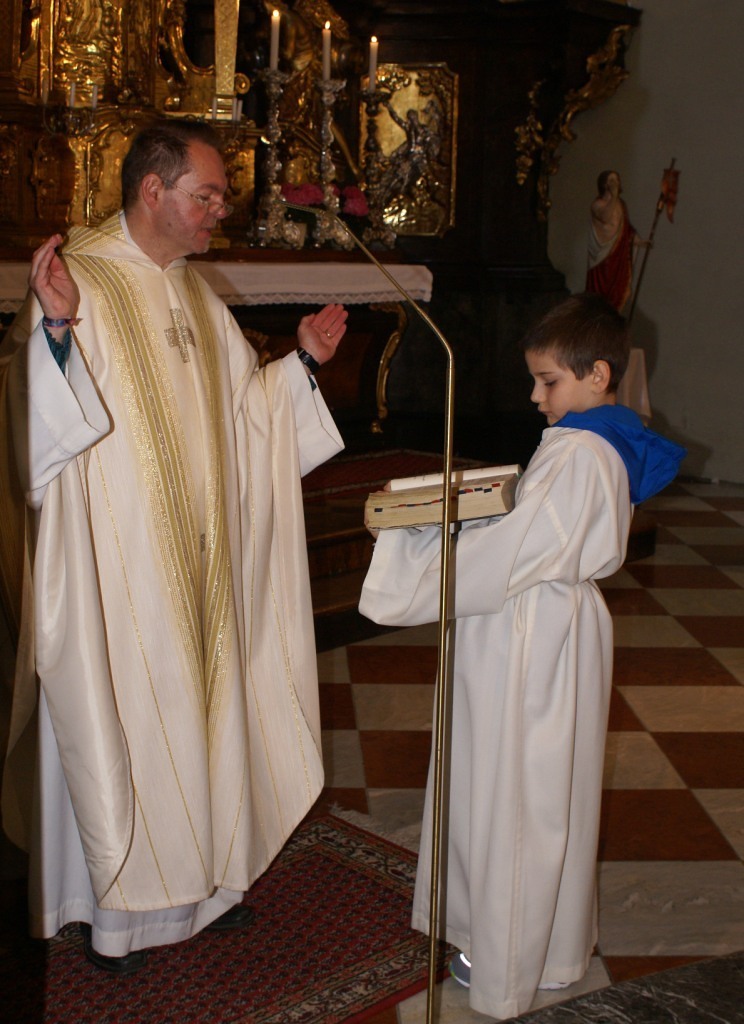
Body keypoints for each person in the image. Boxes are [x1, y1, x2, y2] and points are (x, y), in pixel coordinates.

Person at [0, 119, 348, 974]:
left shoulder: (198, 296)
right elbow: (30, 424)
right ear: (152, 191)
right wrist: (54, 332)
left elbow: (245, 416)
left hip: (202, 566)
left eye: (220, 197)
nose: (219, 212)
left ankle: (207, 889)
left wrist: (300, 365)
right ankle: (113, 917)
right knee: (123, 718)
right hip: (115, 572)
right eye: (207, 196)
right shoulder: (75, 277)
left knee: (204, 712)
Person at [359, 293, 685, 1019]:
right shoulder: (598, 442)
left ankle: (504, 964)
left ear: (597, 375)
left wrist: (413, 533)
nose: (536, 397)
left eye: (548, 382)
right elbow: (528, 529)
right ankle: (544, 948)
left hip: (530, 632)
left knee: (514, 793)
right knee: (544, 790)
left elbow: (515, 552)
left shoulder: (578, 452)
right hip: (553, 625)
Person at [586, 170, 647, 312]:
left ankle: (613, 318)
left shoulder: (621, 205)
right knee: (599, 296)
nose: (616, 183)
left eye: (617, 180)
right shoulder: (597, 204)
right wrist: (613, 197)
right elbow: (605, 216)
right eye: (612, 180)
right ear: (604, 184)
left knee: (618, 290)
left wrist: (638, 241)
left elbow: (626, 229)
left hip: (618, 255)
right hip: (601, 257)